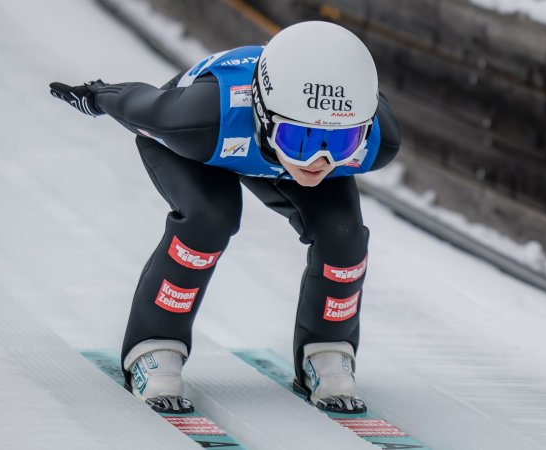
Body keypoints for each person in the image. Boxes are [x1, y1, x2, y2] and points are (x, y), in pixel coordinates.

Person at [49, 21, 401, 415]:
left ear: (363, 130)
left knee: (344, 236)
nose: (319, 162)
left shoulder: (376, 137)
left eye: (341, 141)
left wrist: (305, 143)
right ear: (265, 116)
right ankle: (154, 346)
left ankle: (327, 350)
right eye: (298, 139)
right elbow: (141, 104)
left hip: (251, 140)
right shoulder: (194, 119)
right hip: (205, 145)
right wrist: (97, 95)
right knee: (209, 218)